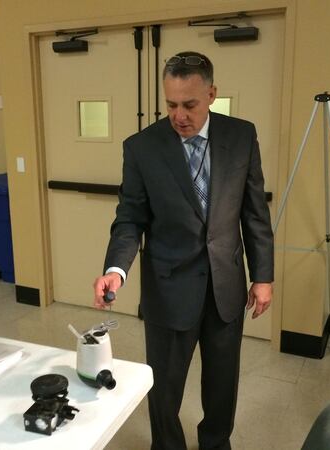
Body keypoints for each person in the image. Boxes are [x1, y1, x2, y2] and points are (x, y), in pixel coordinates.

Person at [92, 51, 274, 450]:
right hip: (169, 288)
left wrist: (262, 276)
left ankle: (215, 442)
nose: (179, 115)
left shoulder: (241, 136)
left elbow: (254, 212)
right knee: (164, 386)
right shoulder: (142, 148)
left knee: (223, 381)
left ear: (211, 94)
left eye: (189, 104)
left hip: (225, 284)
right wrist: (115, 269)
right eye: (171, 104)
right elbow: (129, 219)